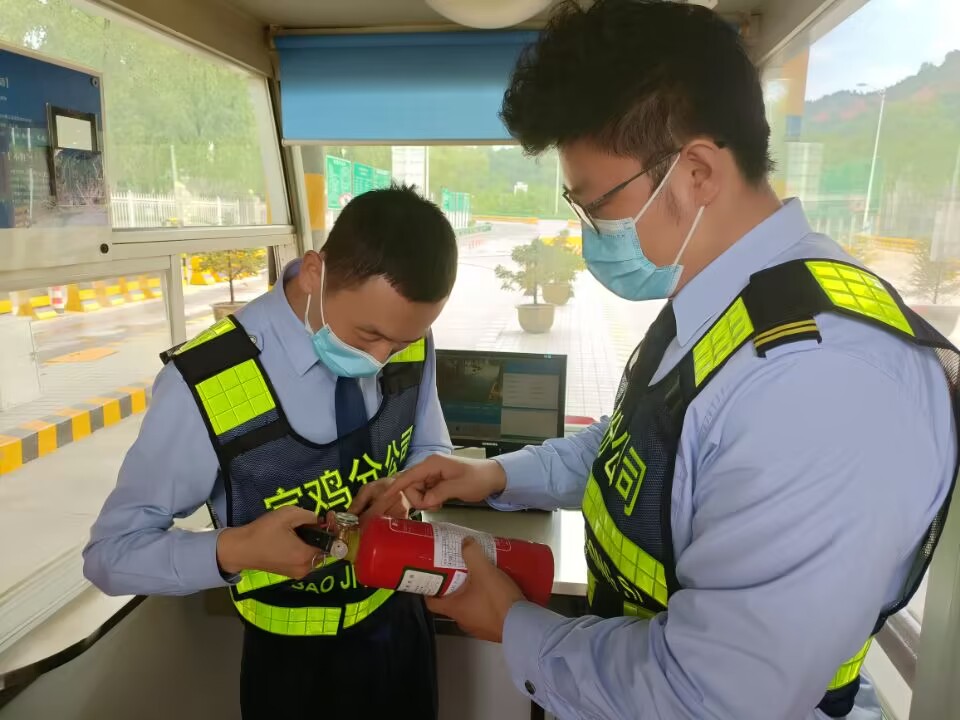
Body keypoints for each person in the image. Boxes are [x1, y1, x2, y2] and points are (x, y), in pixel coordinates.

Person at [361, 2, 960, 719]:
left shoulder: (826, 382)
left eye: (597, 205)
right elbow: (639, 450)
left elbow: (714, 697)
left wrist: (515, 627)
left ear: (697, 172)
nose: (591, 232)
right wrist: (492, 475)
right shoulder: (719, 306)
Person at [83, 185, 458, 719]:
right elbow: (110, 556)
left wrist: (406, 492)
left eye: (398, 345)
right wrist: (235, 549)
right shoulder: (206, 383)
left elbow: (429, 446)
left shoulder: (406, 334)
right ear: (314, 272)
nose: (381, 359)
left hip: (401, 629)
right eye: (367, 335)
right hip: (293, 670)